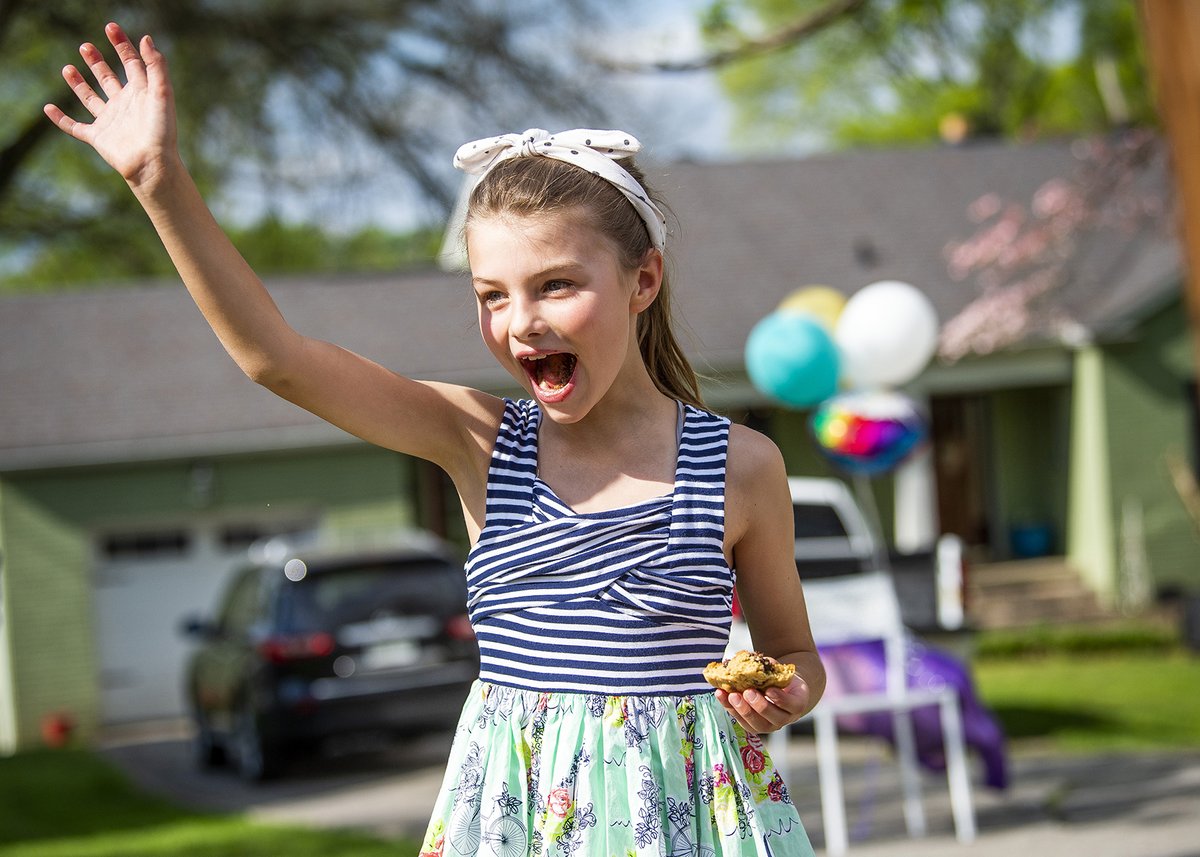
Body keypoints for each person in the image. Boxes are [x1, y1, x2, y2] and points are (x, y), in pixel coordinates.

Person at [47, 23, 826, 856]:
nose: (520, 323)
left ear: (643, 279)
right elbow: (278, 361)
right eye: (492, 295)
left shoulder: (740, 465)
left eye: (556, 285)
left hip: (688, 823)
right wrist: (158, 179)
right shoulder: (481, 441)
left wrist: (785, 695)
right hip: (513, 821)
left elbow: (795, 655)